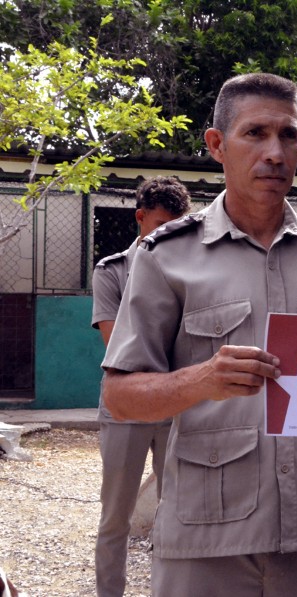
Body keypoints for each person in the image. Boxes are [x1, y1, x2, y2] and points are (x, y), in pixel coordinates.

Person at [100, 73, 297, 597]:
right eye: (255, 133)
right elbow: (121, 396)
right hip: (207, 532)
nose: (274, 152)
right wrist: (202, 379)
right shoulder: (167, 255)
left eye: (288, 136)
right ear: (217, 145)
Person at [91, 175, 191, 597]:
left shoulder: (189, 272)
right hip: (127, 408)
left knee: (178, 514)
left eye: (177, 225)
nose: (168, 234)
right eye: (161, 223)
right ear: (140, 218)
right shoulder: (112, 271)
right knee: (116, 514)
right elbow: (118, 346)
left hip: (177, 410)